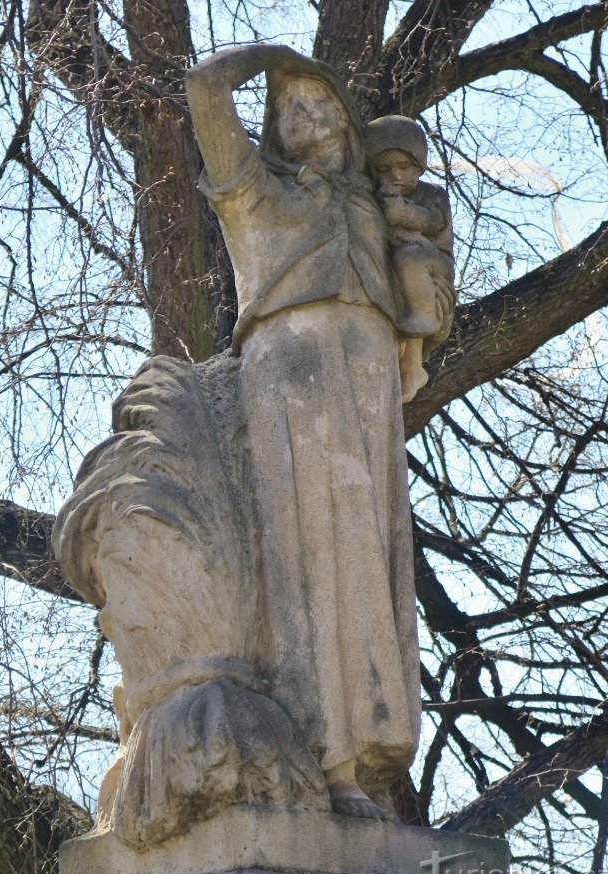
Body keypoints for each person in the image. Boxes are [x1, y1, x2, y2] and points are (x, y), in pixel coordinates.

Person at [185, 46, 421, 820]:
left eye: (323, 104)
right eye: (291, 109)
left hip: (368, 379)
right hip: (289, 375)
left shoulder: (372, 205)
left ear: (350, 125)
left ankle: (368, 756)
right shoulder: (254, 193)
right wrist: (273, 57)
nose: (308, 117)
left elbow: (423, 297)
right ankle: (320, 756)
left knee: (370, 561)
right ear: (273, 131)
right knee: (308, 563)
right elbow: (204, 90)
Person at [364, 115, 455, 403]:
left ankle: (424, 315)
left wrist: (400, 212)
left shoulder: (433, 193)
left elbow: (434, 222)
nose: (396, 176)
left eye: (404, 167)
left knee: (409, 258)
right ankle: (411, 366)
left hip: (433, 262)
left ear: (419, 166)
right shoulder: (373, 196)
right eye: (385, 169)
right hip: (397, 263)